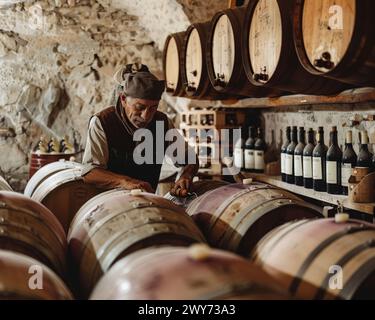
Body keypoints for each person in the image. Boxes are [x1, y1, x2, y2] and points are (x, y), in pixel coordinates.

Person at [82, 63, 199, 196]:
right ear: (123, 99)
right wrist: (124, 181)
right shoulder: (103, 122)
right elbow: (90, 172)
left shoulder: (162, 123)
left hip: (146, 204)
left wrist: (185, 176)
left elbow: (190, 159)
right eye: (139, 107)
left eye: (153, 107)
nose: (146, 116)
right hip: (108, 207)